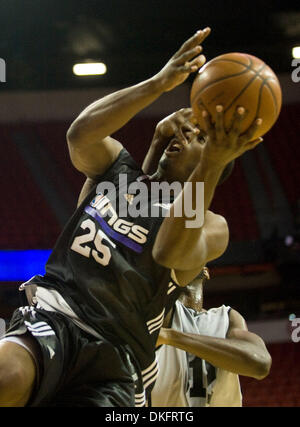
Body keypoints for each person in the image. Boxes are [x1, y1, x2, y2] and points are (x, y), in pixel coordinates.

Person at [0, 27, 264, 407]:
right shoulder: (117, 171)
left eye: (201, 139)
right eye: (189, 127)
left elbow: (170, 250)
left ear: (212, 166)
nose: (189, 132)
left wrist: (214, 158)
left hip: (117, 361)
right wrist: (157, 84)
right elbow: (80, 136)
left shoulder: (210, 224)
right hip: (58, 318)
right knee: (8, 376)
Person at [149, 270, 272, 407]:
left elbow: (260, 364)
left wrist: (170, 336)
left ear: (205, 271)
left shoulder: (227, 318)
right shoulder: (161, 314)